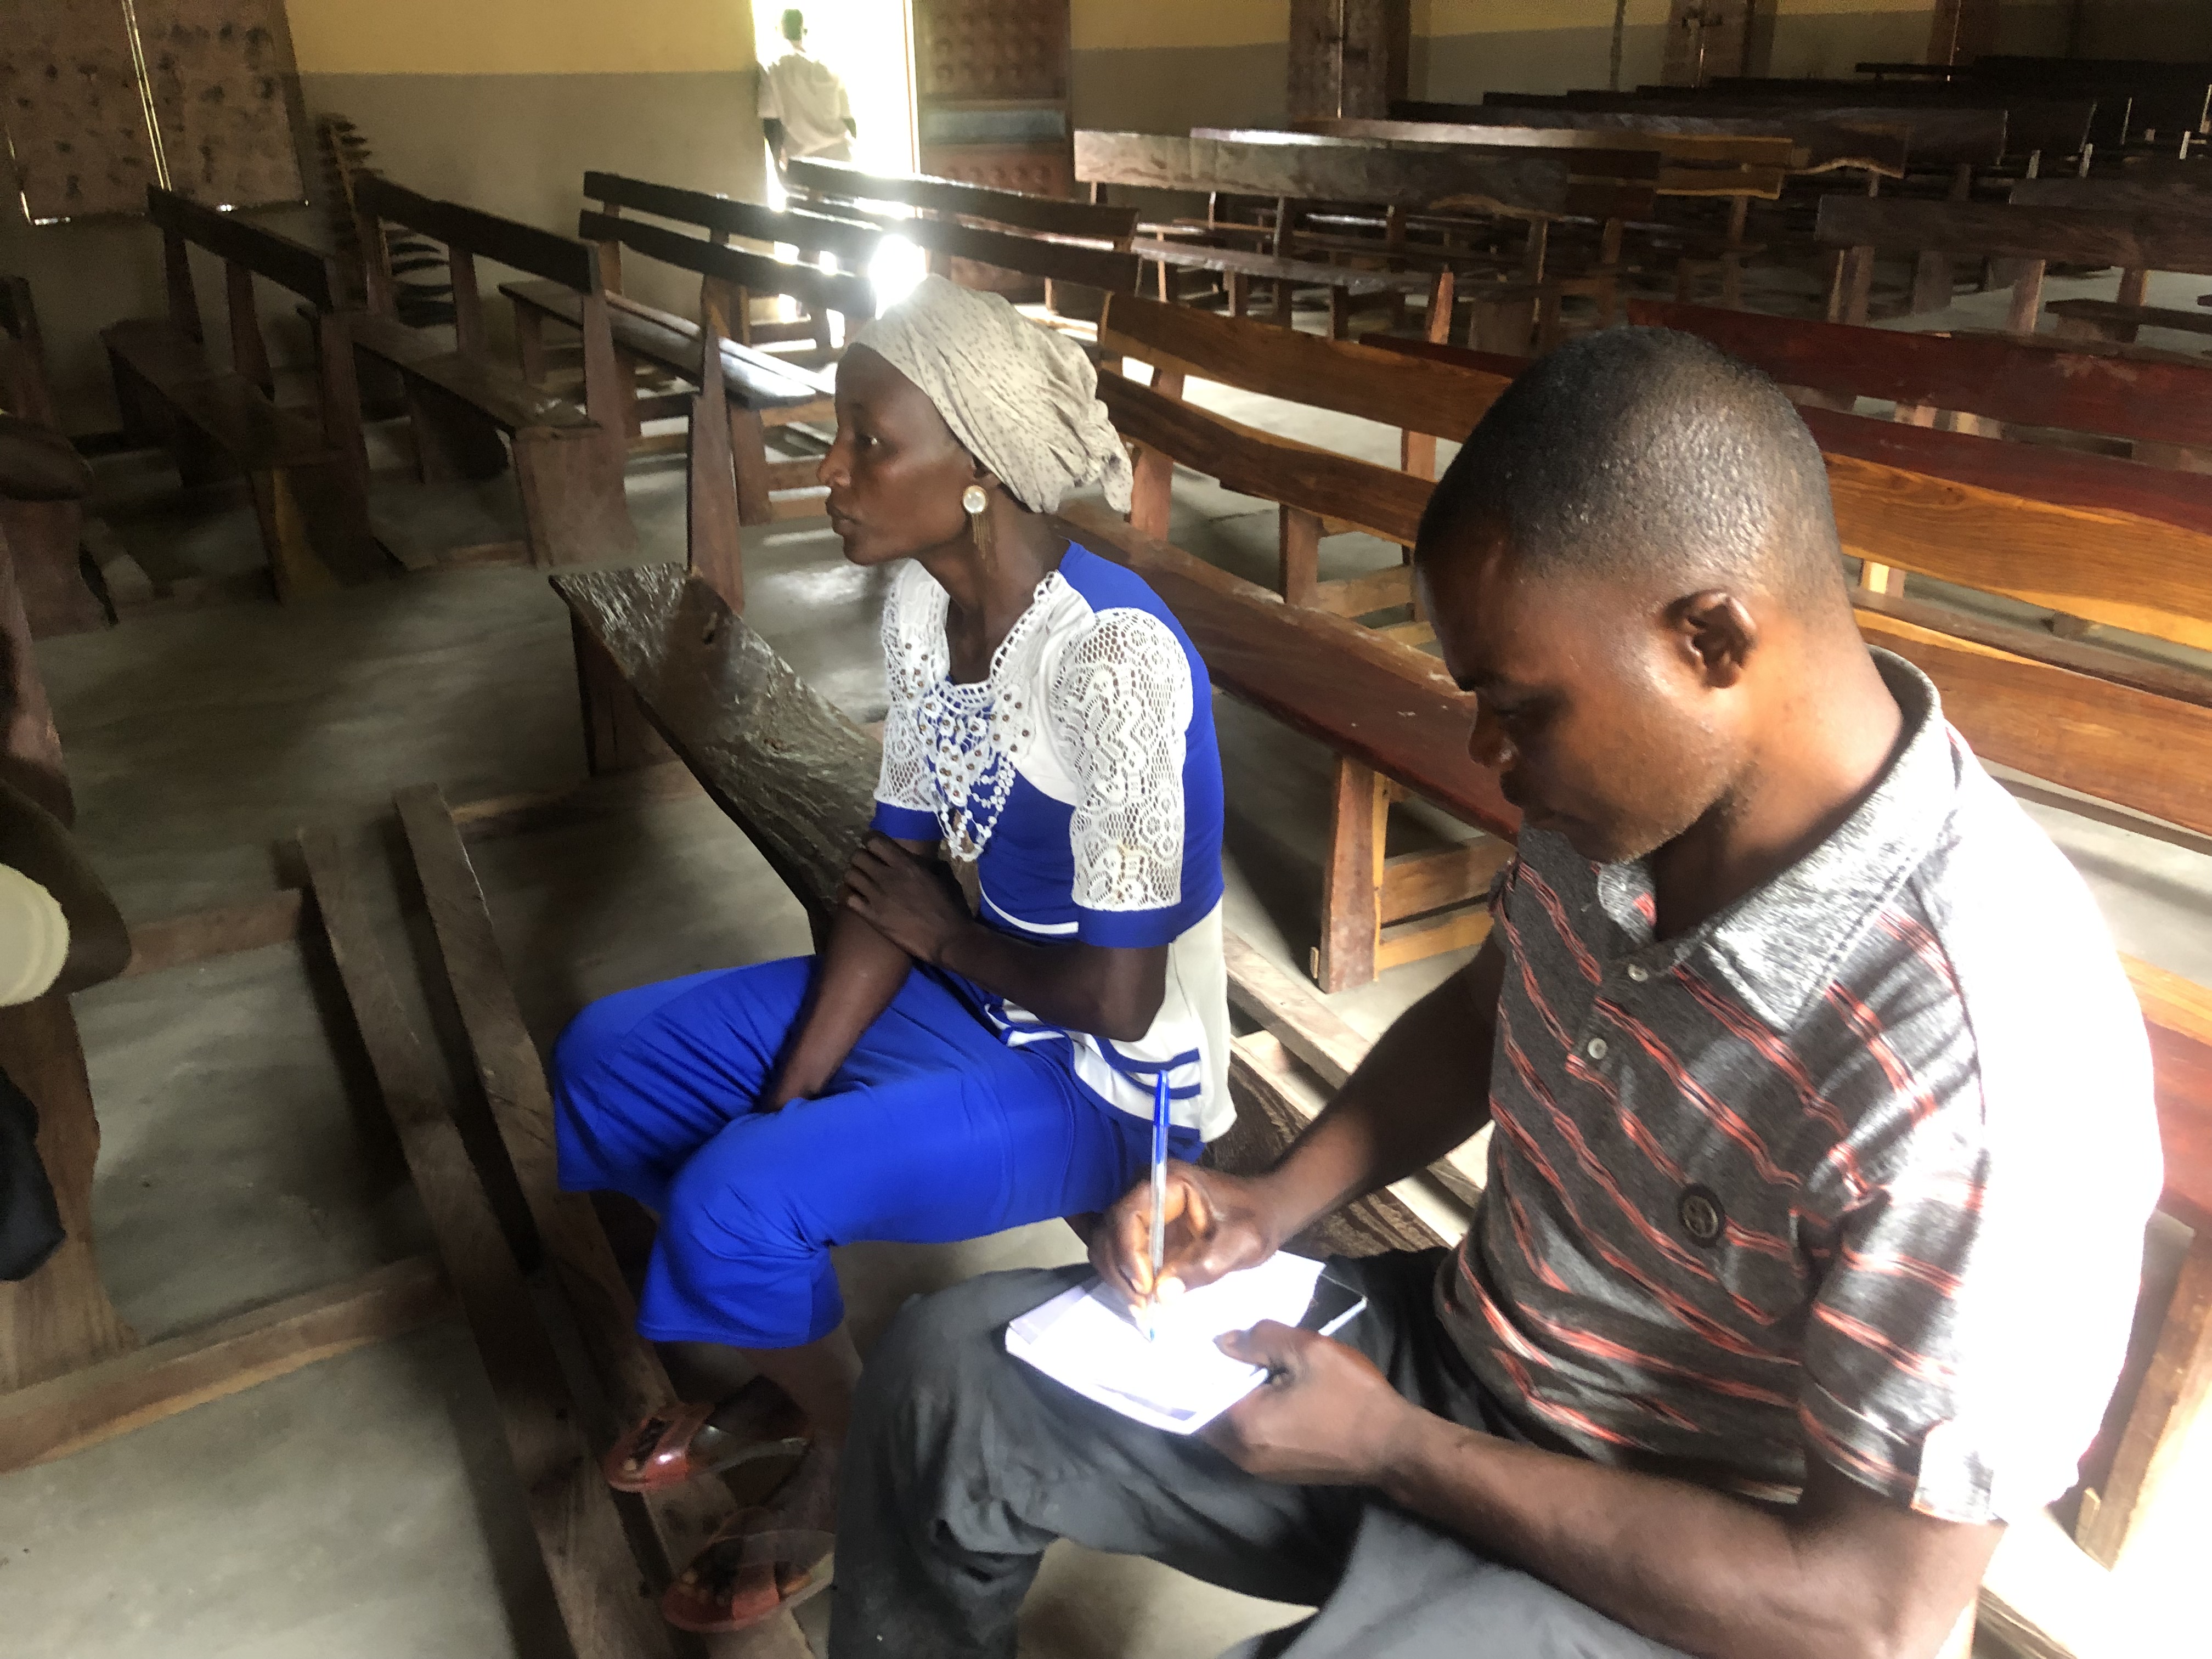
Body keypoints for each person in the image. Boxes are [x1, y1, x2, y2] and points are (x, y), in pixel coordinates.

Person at [828, 328, 2165, 1659]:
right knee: (945, 1382)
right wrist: (1274, 1201)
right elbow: (1485, 1016)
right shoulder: (1625, 806)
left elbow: (1869, 1614)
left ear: (1711, 639)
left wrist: (1396, 1449)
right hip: (1476, 1359)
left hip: (1703, 1558)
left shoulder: (1988, 1064)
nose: (1490, 756)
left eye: (1517, 710)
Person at [551, 274, 1232, 1633]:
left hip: (1110, 1083)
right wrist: (792, 1090)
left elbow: (1120, 995)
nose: (832, 473)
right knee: (610, 1060)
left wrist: (944, 937)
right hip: (978, 998)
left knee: (734, 1197)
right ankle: (794, 1366)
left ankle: (848, 1447)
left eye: (870, 443)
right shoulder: (928, 610)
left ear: (977, 470)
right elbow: (888, 877)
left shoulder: (1113, 663)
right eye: (838, 437)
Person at [760, 8, 856, 170]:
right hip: (841, 160)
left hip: (802, 165)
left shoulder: (772, 68)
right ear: (804, 31)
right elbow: (849, 121)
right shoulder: (827, 66)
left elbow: (771, 123)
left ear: (778, 31)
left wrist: (778, 165)